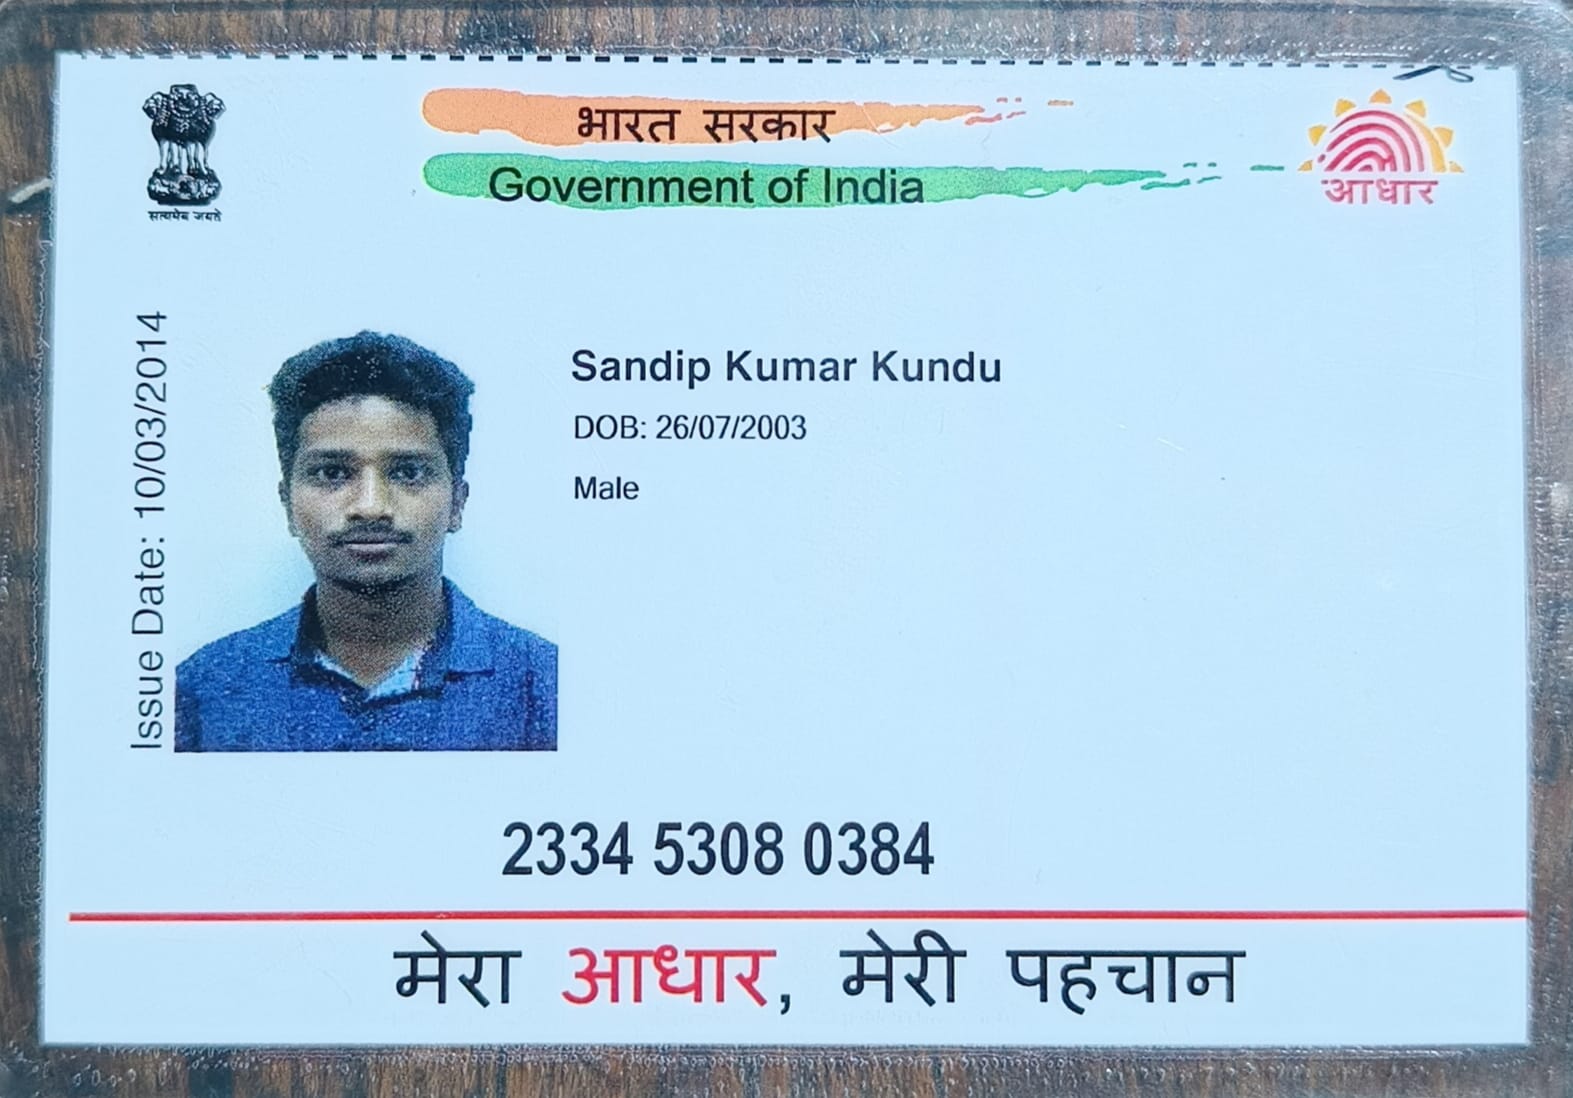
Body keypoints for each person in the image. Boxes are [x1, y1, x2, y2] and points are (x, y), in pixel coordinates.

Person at [175, 331, 556, 751]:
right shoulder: (202, 690)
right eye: (332, 473)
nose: (370, 507)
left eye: (408, 472)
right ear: (288, 505)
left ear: (456, 504)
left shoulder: (546, 686)